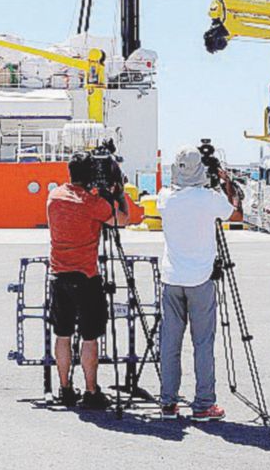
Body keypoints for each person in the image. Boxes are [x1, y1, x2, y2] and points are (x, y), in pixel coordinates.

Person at [47, 151, 141, 410]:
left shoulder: (54, 196)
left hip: (58, 275)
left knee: (63, 334)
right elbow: (123, 220)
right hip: (86, 277)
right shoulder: (91, 203)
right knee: (90, 337)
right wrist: (119, 193)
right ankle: (91, 391)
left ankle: (65, 388)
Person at [155, 146, 242, 421]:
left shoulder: (165, 198)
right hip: (200, 279)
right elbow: (236, 215)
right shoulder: (209, 199)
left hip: (171, 278)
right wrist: (227, 183)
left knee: (170, 343)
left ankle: (168, 402)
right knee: (203, 343)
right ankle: (204, 403)